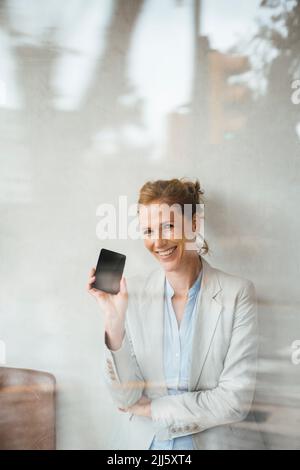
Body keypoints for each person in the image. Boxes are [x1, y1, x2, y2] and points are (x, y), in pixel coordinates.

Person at [87, 178, 265, 450]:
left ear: (194, 224)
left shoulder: (238, 293)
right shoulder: (130, 294)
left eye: (168, 226)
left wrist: (154, 409)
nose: (157, 242)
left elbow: (234, 401)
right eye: (148, 230)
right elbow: (125, 399)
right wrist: (114, 321)